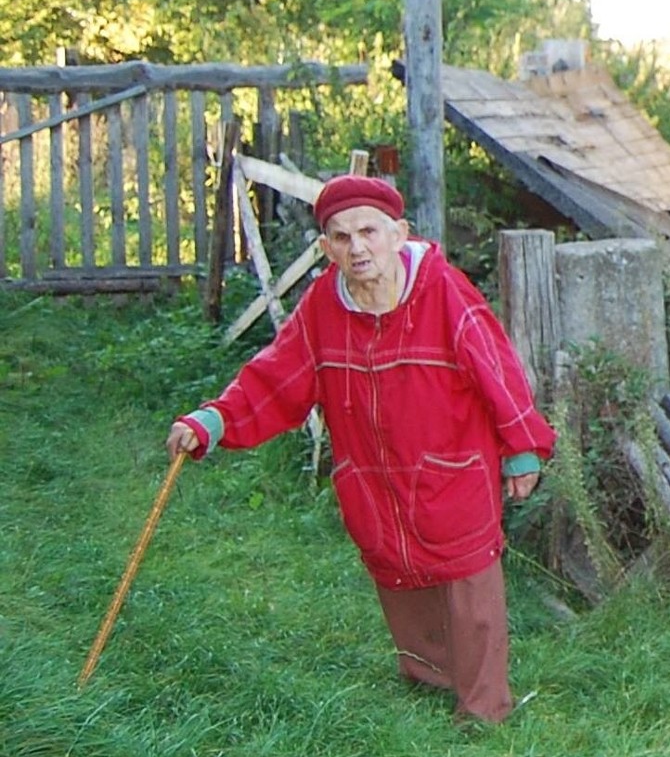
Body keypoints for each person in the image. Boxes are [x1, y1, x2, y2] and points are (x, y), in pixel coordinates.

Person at [166, 174, 557, 723]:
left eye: (369, 231)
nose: (358, 247)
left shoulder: (444, 292)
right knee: (396, 567)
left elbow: (498, 368)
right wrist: (214, 419)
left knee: (470, 582)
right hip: (372, 471)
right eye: (342, 237)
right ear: (327, 248)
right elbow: (276, 379)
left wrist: (522, 447)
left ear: (398, 234)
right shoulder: (322, 307)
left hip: (451, 462)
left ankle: (483, 711)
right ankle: (428, 679)